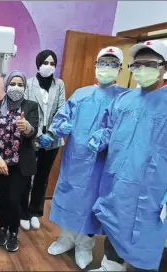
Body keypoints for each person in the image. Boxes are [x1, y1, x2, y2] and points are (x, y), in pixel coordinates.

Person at [88, 40, 167, 271]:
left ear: (164, 67)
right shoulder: (124, 99)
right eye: (137, 64)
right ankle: (110, 267)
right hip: (118, 182)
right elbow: (109, 128)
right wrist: (97, 138)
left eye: (149, 64)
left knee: (144, 238)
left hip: (153, 189)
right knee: (114, 226)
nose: (142, 70)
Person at [46, 47, 127, 269]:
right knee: (69, 198)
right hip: (75, 159)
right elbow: (61, 118)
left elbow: (125, 129)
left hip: (102, 164)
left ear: (120, 69)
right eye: (103, 63)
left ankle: (84, 246)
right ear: (95, 65)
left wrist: (105, 136)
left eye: (112, 64)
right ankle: (65, 239)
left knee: (91, 204)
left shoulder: (124, 98)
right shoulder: (81, 94)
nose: (106, 68)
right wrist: (59, 128)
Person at [0, 70, 39, 252]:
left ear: (25, 87)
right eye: (13, 83)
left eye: (20, 84)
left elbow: (33, 132)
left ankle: (13, 231)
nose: (16, 88)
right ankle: (2, 228)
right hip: (1, 162)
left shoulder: (31, 106)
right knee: (2, 198)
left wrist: (27, 128)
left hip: (21, 163)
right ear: (6, 84)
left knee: (14, 198)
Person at [21, 50, 66, 231]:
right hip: (31, 138)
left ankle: (35, 212)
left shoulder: (59, 84)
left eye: (52, 63)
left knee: (42, 178)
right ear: (38, 63)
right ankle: (22, 212)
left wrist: (52, 133)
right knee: (26, 176)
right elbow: (25, 110)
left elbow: (62, 110)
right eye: (45, 62)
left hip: (52, 141)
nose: (49, 66)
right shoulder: (29, 84)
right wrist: (39, 134)